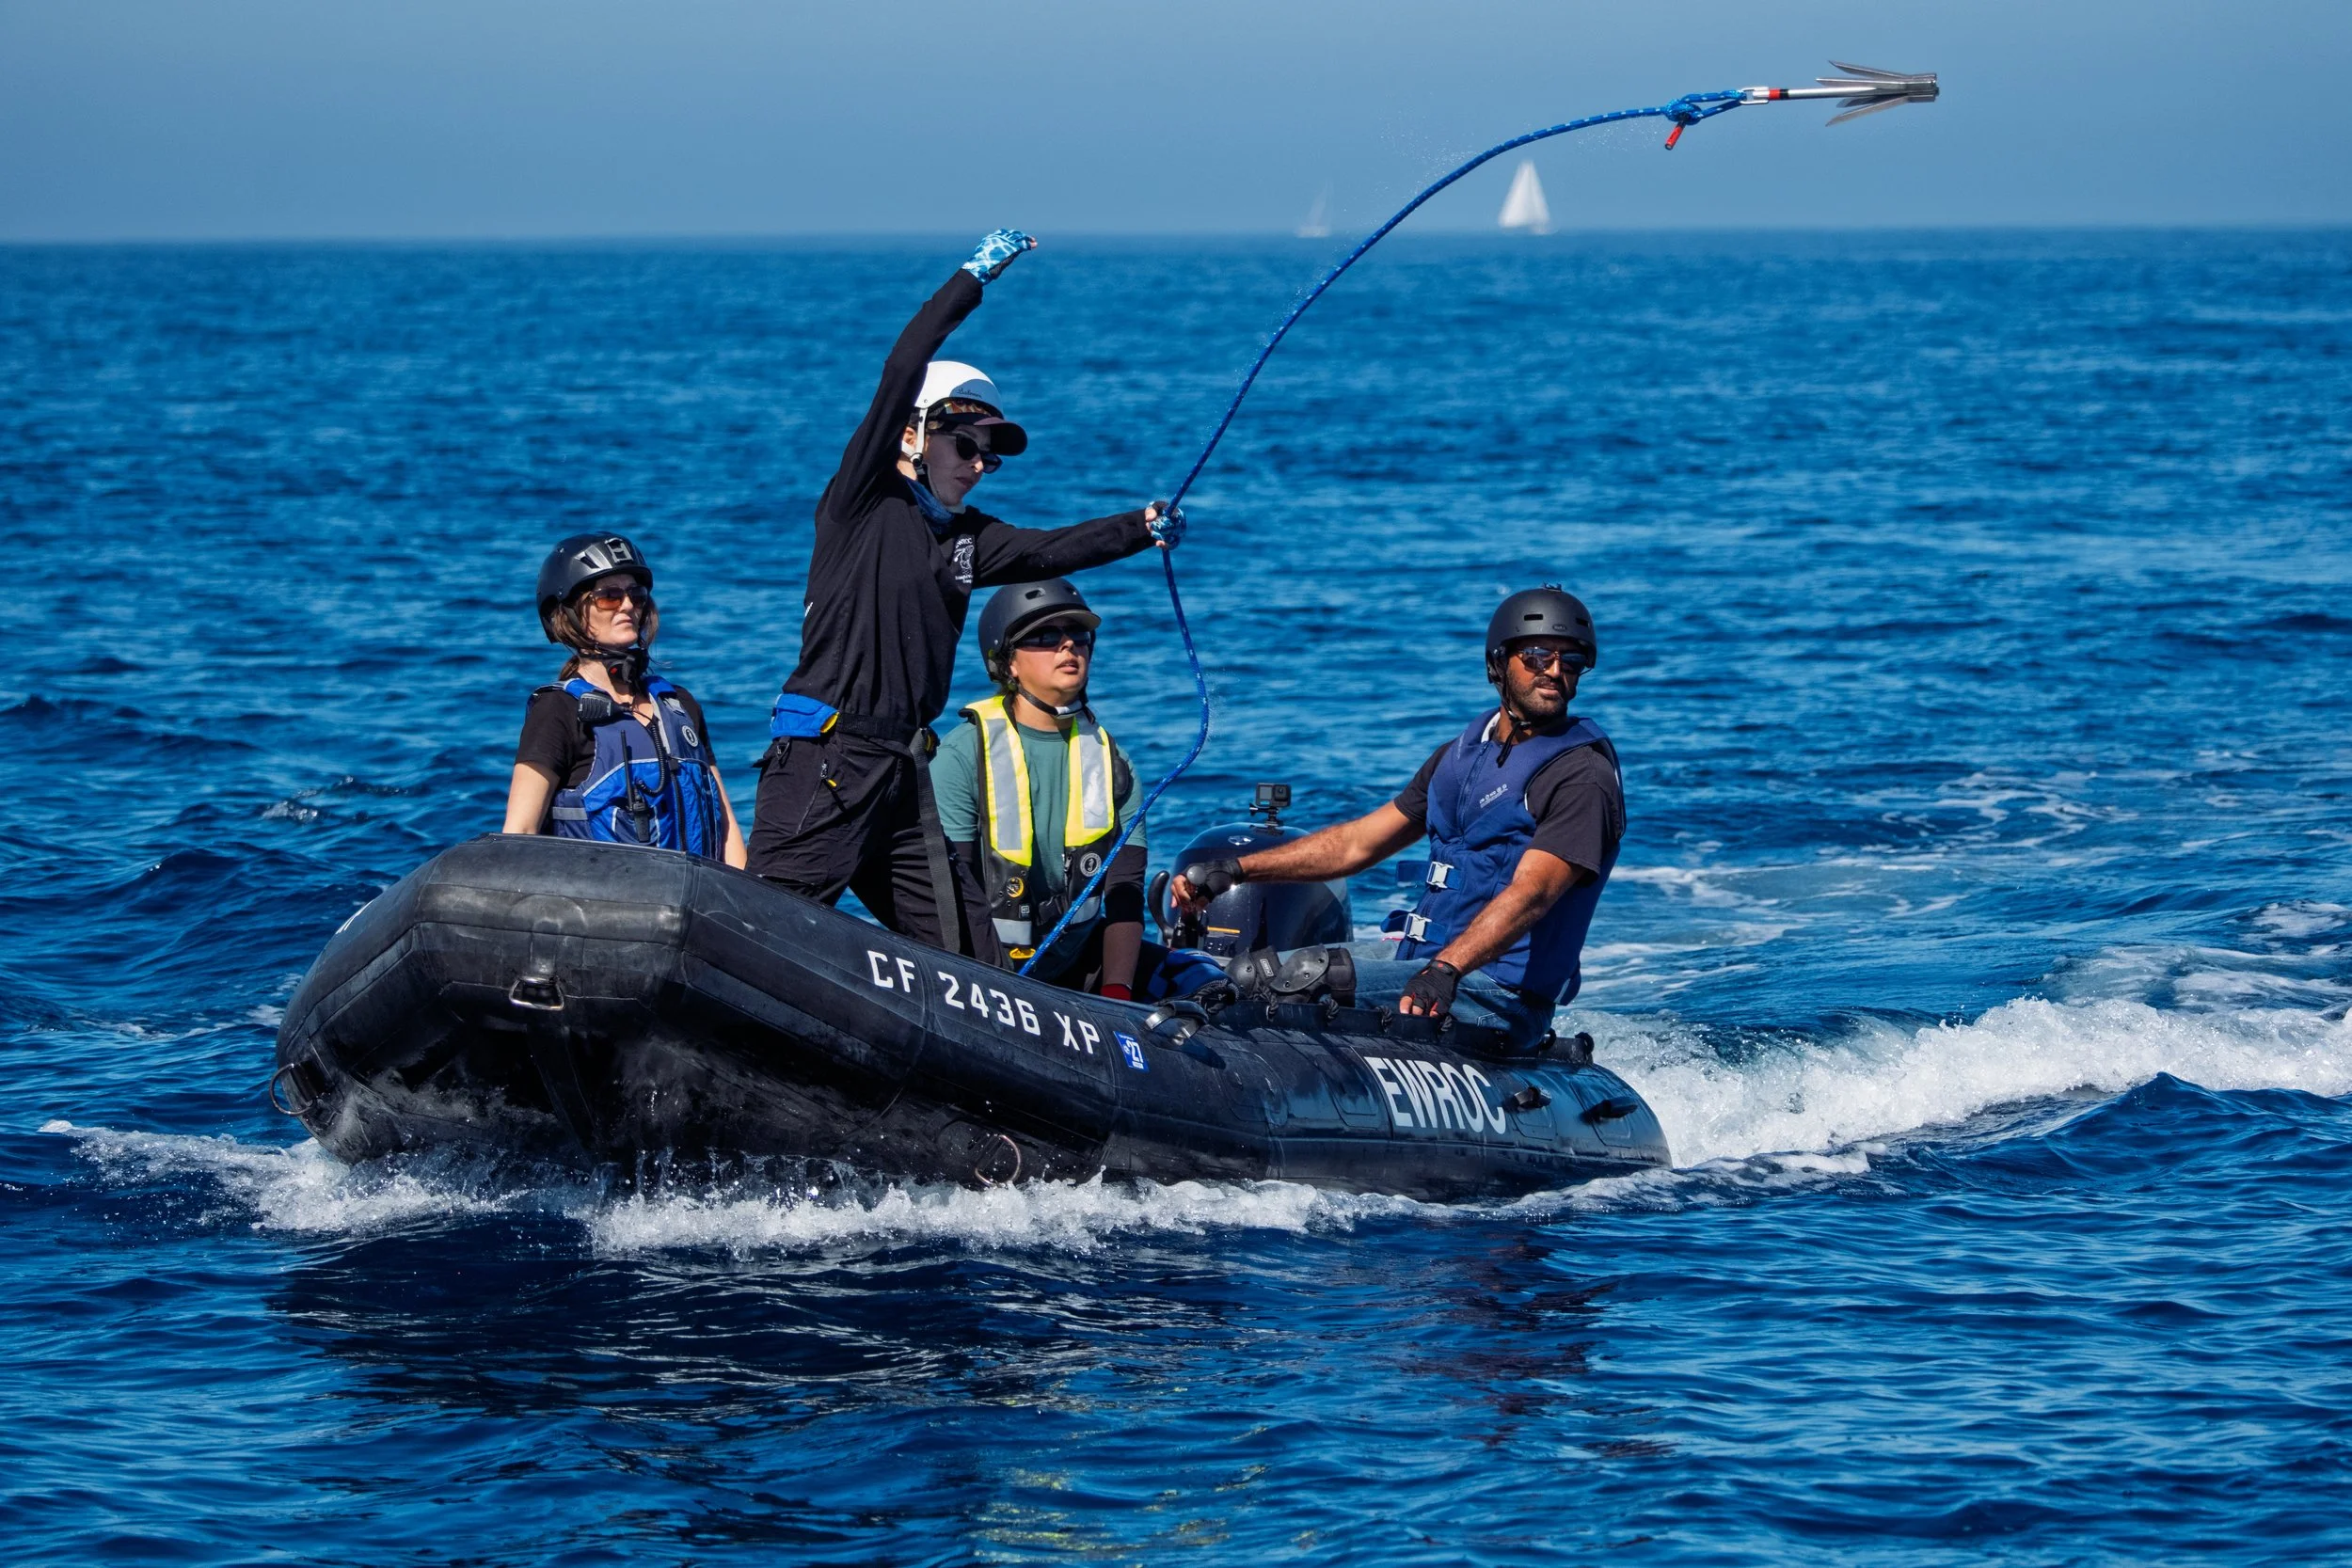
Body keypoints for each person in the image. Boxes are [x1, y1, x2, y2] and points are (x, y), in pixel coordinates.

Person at [749, 229, 1182, 956]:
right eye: (964, 444)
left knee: (972, 957)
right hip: (827, 761)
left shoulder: (967, 539)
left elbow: (1051, 547)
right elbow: (902, 367)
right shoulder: (862, 499)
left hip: (902, 772)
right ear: (912, 437)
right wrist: (972, 278)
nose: (978, 464)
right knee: (768, 936)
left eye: (989, 456)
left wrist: (1142, 526)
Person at [1171, 586, 1623, 1048]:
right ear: (1498, 662)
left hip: (1497, 994)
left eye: (1571, 662)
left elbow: (1534, 892)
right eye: (1537, 656)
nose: (1554, 672)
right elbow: (1356, 845)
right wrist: (1236, 870)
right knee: (1236, 971)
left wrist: (1445, 970)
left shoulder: (1581, 775)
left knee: (1296, 978)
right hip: (1424, 964)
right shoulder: (1461, 756)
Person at [934, 579, 1202, 999]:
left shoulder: (1114, 764)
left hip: (1076, 967)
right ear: (1008, 663)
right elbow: (951, 895)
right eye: (1044, 636)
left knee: (1206, 981)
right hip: (982, 969)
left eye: (1078, 634)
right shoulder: (961, 757)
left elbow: (1125, 893)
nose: (1067, 646)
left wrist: (1117, 993)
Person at [503, 532, 748, 866]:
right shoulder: (558, 711)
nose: (628, 606)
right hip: (600, 894)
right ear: (569, 612)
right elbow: (520, 831)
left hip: (696, 893)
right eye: (609, 596)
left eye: (636, 595)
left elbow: (727, 828)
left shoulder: (680, 705)